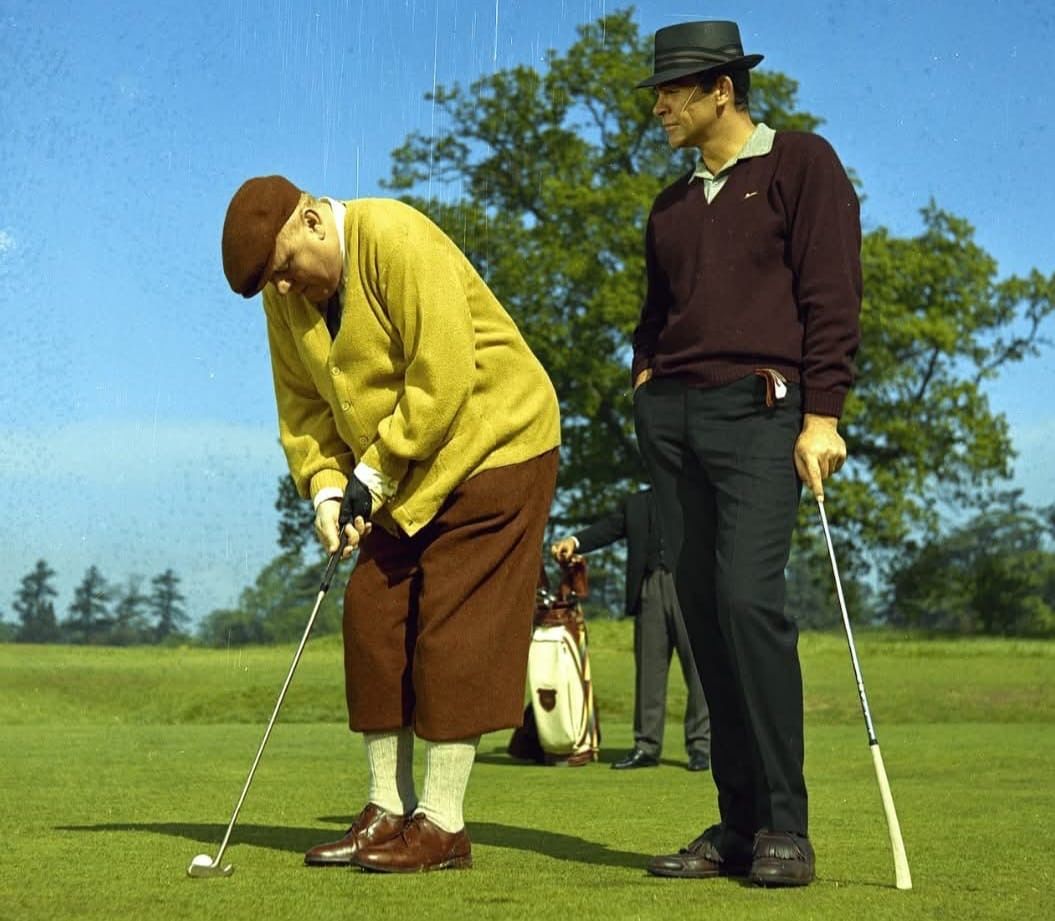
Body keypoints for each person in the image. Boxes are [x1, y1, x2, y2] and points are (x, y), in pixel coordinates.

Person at [221, 176, 560, 873]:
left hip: (497, 443)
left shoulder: (396, 237)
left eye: (284, 268)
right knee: (372, 611)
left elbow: (442, 375)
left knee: (454, 627)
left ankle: (443, 824)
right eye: (269, 283)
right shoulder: (287, 299)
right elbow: (303, 408)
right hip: (408, 468)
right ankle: (386, 810)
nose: (282, 288)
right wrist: (325, 490)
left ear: (312, 220)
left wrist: (371, 474)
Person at [629, 21, 862, 887]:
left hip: (763, 412)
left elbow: (831, 294)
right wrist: (645, 384)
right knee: (701, 613)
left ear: (720, 89)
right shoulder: (670, 205)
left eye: (672, 91)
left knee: (746, 600)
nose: (659, 107)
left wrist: (822, 415)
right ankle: (736, 824)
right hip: (673, 420)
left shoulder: (800, 164)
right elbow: (653, 316)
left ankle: (784, 827)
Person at [551, 489, 710, 771]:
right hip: (649, 590)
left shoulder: (701, 493)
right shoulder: (637, 503)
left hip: (692, 586)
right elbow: (607, 529)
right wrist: (574, 541)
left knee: (699, 672)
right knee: (649, 672)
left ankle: (701, 747)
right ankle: (646, 746)